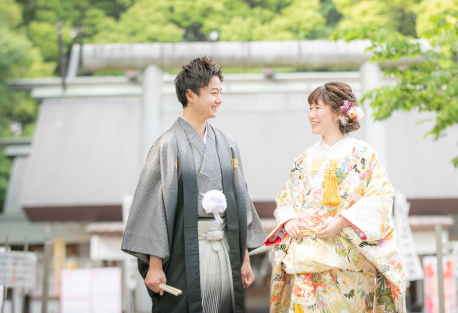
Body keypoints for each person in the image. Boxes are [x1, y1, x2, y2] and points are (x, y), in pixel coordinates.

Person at [122, 56, 266, 313]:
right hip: (184, 250)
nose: (219, 99)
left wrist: (244, 259)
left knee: (221, 307)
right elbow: (155, 207)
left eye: (220, 92)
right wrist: (155, 265)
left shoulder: (227, 145)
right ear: (190, 94)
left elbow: (241, 201)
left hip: (224, 246)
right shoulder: (167, 145)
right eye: (213, 92)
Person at [266, 81, 406, 313]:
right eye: (309, 108)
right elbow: (286, 197)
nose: (311, 115)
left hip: (347, 258)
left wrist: (342, 221)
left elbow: (380, 196)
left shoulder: (361, 154)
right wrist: (289, 219)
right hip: (306, 254)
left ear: (337, 113)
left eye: (317, 108)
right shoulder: (303, 158)